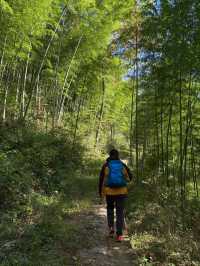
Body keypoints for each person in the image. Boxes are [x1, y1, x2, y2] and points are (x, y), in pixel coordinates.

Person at [99, 149, 132, 242]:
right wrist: (124, 181)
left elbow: (101, 181)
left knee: (110, 209)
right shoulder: (122, 165)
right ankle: (119, 235)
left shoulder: (106, 165)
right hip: (121, 192)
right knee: (120, 212)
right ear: (118, 155)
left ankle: (111, 230)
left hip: (109, 192)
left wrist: (101, 194)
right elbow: (130, 177)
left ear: (110, 155)